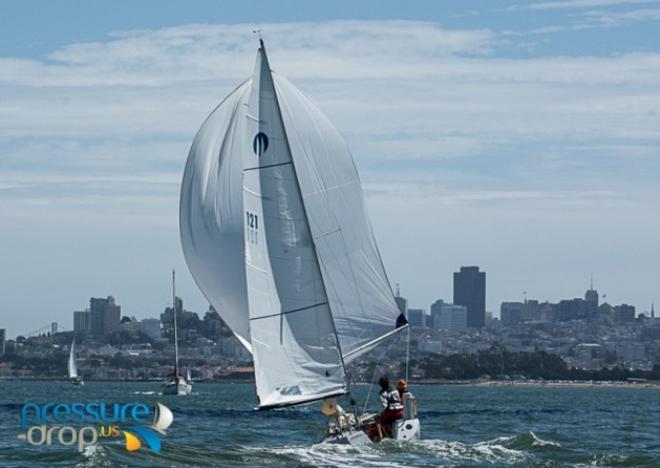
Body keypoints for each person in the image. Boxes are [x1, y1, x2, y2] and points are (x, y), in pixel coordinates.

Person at [372, 375, 404, 439]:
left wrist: (378, 414)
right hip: (400, 412)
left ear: (381, 385)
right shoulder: (395, 390)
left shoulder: (383, 393)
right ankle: (390, 431)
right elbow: (399, 401)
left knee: (377, 419)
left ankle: (381, 436)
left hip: (391, 413)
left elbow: (384, 406)